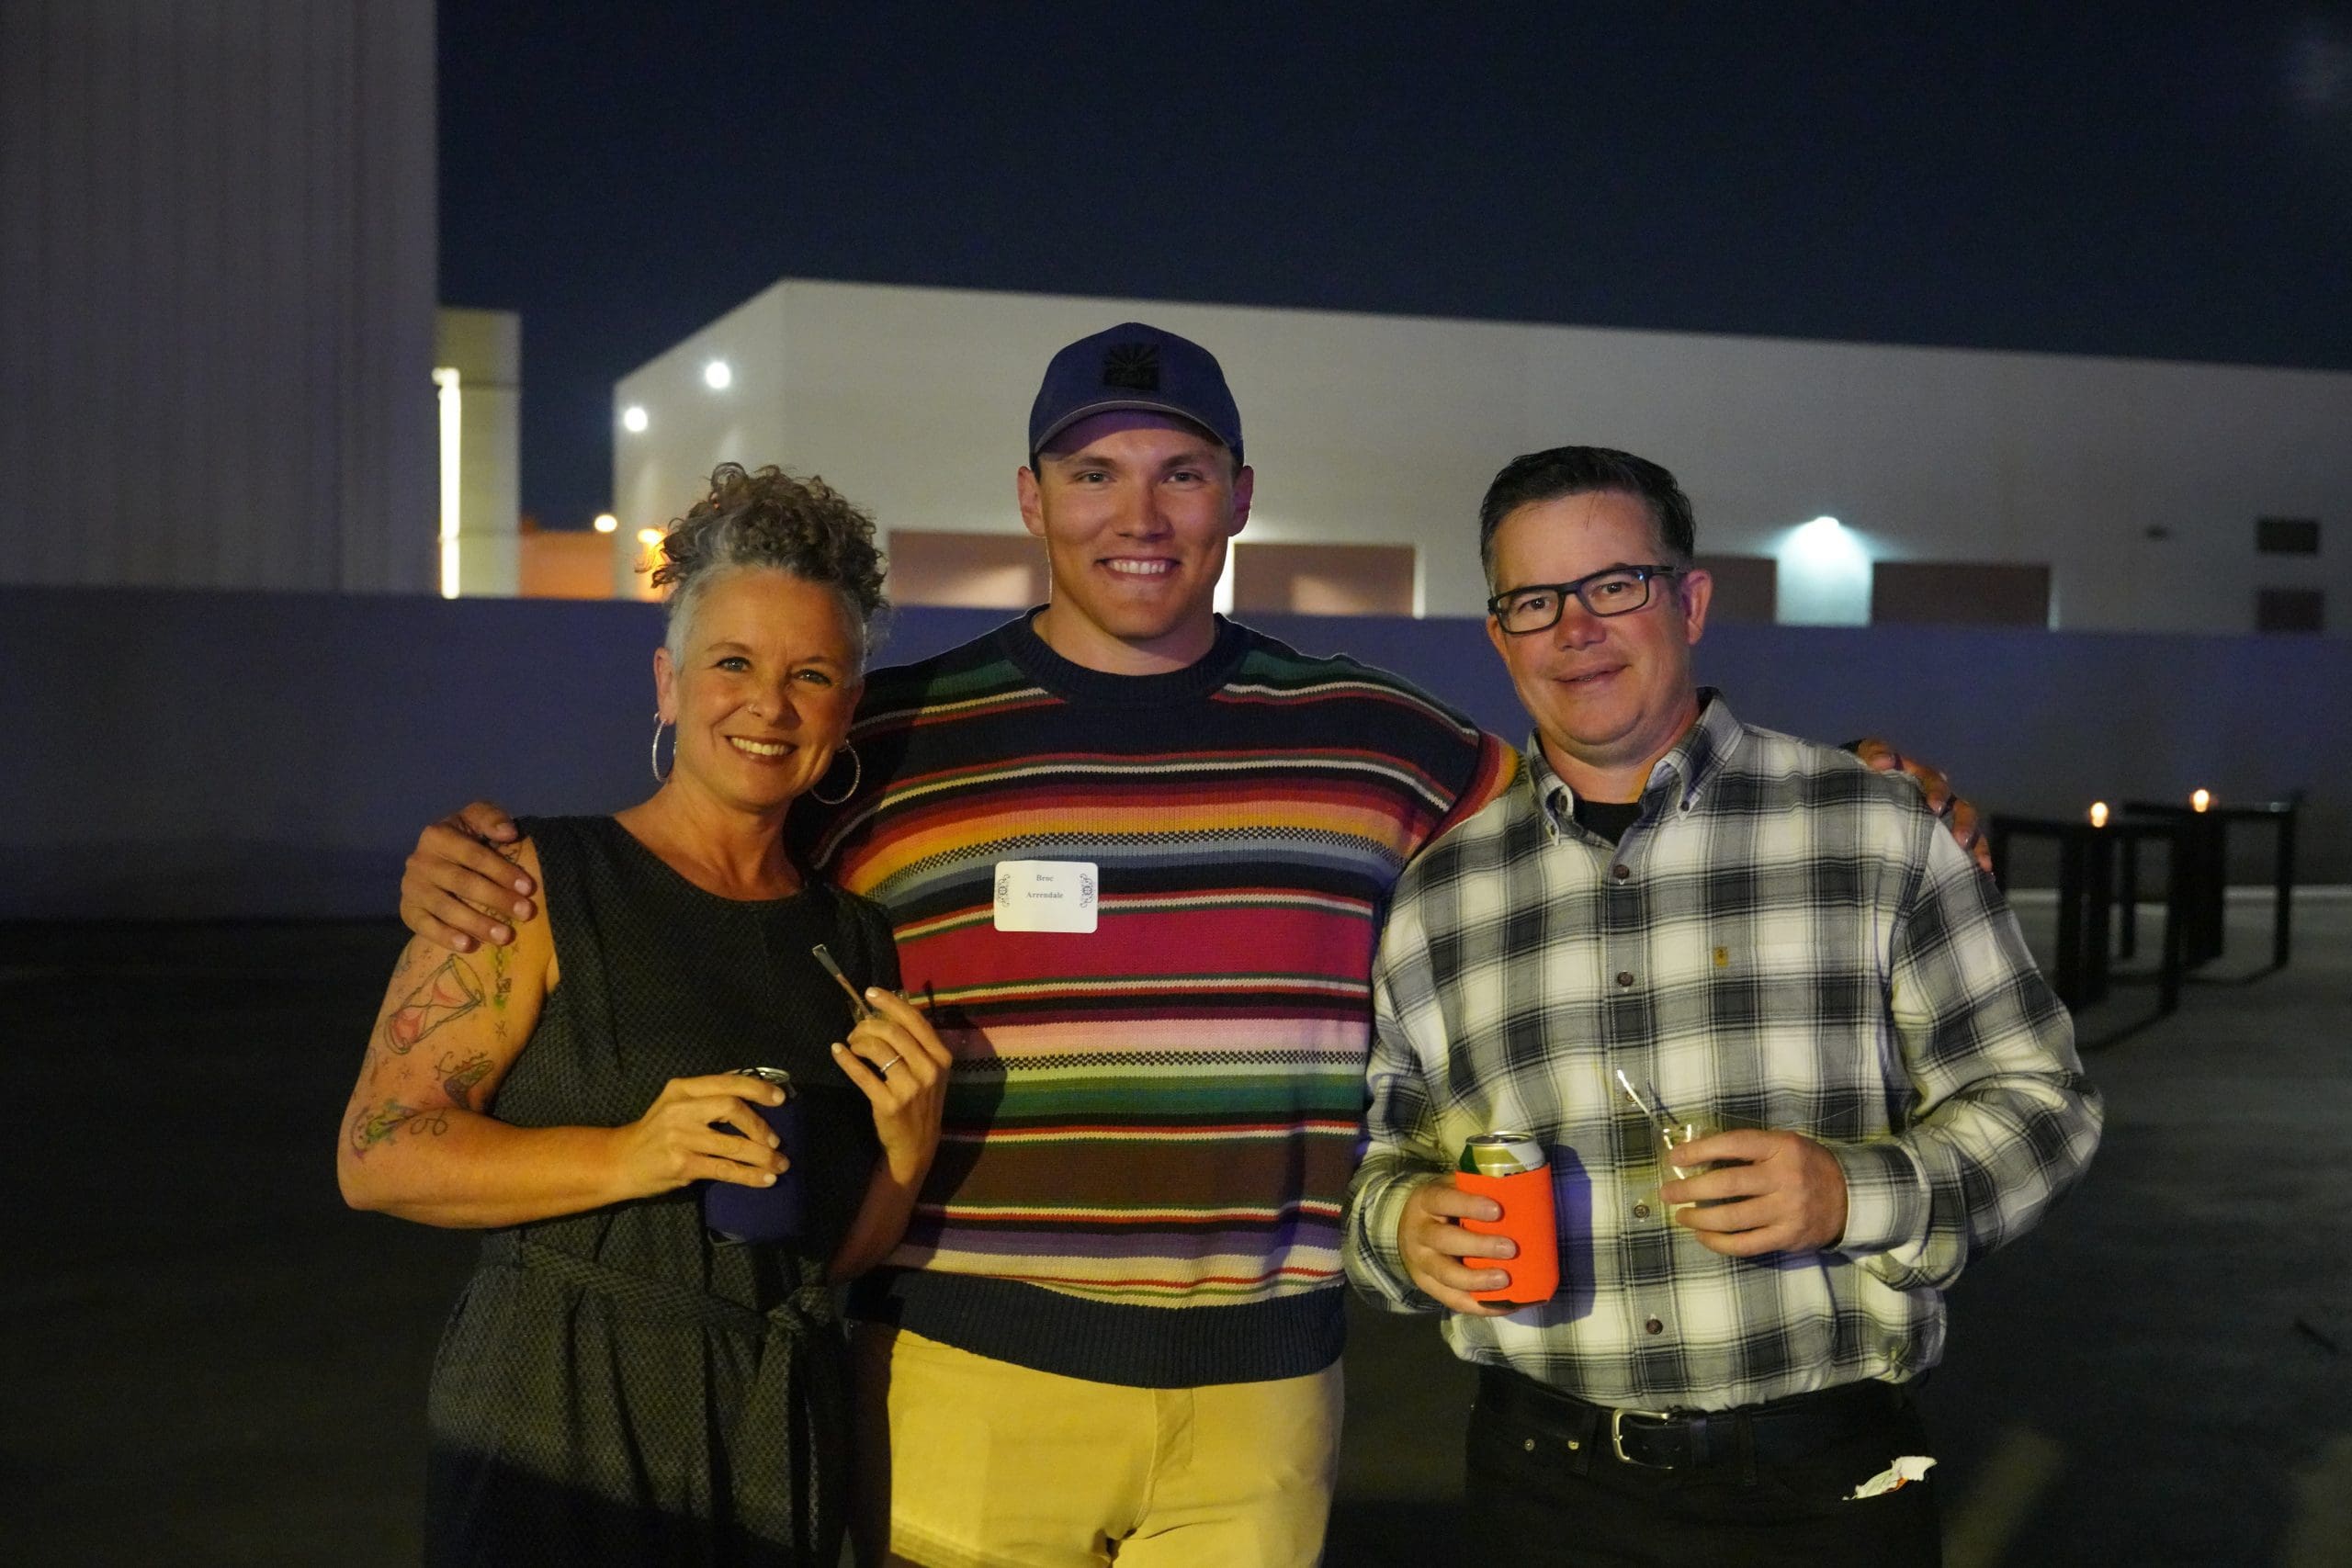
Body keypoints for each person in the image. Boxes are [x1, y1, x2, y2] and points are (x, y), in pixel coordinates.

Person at [394, 328, 1986, 1567]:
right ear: (1031, 500)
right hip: (962, 1379)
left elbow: (1608, 805)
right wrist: (482, 868)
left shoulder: (1376, 740)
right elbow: (700, 845)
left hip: (1259, 1402)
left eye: (1179, 471)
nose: (1136, 514)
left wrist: (1869, 785)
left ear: (1237, 493)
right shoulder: (887, 736)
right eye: (1092, 473)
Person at [1343, 446, 2102, 1566]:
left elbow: (2044, 1104)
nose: (1575, 628)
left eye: (1615, 584)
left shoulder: (1876, 829)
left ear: (1689, 599)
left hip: (1829, 1484)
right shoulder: (1438, 894)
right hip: (1540, 1489)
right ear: (1498, 636)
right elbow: (1368, 1158)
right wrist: (1399, 1227)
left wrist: (1855, 1191)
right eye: (1534, 600)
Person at [337, 463, 951, 1567]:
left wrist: (906, 1155)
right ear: (666, 684)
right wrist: (630, 1156)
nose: (768, 704)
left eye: (810, 674)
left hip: (772, 1431)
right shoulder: (527, 880)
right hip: (559, 1418)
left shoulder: (854, 941)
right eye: (732, 664)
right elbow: (378, 1154)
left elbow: (830, 1263)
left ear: (848, 707)